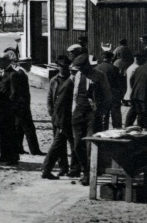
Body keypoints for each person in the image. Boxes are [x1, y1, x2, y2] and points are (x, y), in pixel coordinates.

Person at [70, 54, 111, 186]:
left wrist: (103, 112)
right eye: (78, 68)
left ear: (87, 65)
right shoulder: (78, 75)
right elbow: (75, 95)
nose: (80, 70)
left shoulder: (99, 75)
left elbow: (107, 95)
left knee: (90, 145)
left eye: (82, 68)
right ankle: (84, 168)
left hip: (93, 114)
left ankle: (89, 173)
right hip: (78, 113)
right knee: (77, 145)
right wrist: (73, 111)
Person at [41, 55, 74, 179]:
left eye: (65, 66)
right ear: (57, 66)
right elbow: (50, 96)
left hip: (68, 115)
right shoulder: (54, 80)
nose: (63, 68)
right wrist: (51, 110)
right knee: (59, 144)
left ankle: (73, 168)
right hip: (57, 115)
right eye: (61, 66)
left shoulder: (71, 80)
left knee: (69, 143)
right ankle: (63, 167)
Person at [10, 52, 42, 156]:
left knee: (19, 128)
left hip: (21, 106)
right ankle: (35, 150)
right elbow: (16, 93)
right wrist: (21, 106)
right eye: (30, 64)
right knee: (29, 128)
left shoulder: (20, 73)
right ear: (25, 64)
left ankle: (18, 148)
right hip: (22, 107)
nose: (31, 66)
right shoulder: (20, 74)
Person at [0, 54, 20, 166]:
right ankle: (3, 155)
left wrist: (9, 107)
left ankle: (12, 157)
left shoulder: (13, 74)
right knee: (2, 133)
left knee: (10, 134)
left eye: (0, 61)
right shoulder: (1, 73)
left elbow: (14, 93)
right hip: (1, 109)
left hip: (8, 109)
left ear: (6, 61)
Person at [125, 50, 147, 129]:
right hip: (145, 96)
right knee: (144, 115)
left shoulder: (139, 67)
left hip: (135, 94)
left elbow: (131, 80)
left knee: (137, 112)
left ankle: (131, 128)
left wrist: (135, 89)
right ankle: (144, 132)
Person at [94, 50, 124, 130]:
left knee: (104, 116)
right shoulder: (115, 69)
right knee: (116, 116)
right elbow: (119, 83)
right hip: (114, 94)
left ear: (102, 58)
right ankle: (117, 133)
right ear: (110, 59)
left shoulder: (96, 68)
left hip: (102, 95)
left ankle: (104, 133)